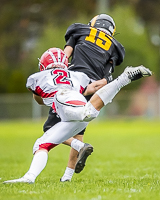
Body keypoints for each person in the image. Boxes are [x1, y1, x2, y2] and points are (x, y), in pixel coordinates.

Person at [3, 47, 152, 184]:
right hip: (72, 107)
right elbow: (90, 88)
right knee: (41, 144)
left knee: (88, 112)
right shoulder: (76, 75)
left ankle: (125, 78)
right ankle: (29, 177)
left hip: (63, 99)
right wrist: (107, 79)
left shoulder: (37, 77)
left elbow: (39, 99)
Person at [43, 14, 126, 181]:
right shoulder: (114, 46)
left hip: (71, 82)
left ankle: (80, 147)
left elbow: (64, 58)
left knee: (49, 129)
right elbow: (106, 78)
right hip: (91, 87)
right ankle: (67, 177)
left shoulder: (80, 30)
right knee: (77, 130)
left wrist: (51, 75)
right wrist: (89, 89)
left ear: (93, 24)